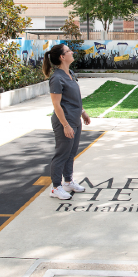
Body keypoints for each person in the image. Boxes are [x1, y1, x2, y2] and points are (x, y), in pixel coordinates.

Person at [43, 44, 91, 200]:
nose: (72, 52)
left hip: (75, 119)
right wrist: (65, 125)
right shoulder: (56, 78)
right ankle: (56, 187)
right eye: (69, 51)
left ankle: (68, 181)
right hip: (65, 121)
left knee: (71, 153)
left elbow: (74, 98)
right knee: (61, 155)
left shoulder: (70, 73)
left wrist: (83, 112)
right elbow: (56, 105)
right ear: (62, 57)